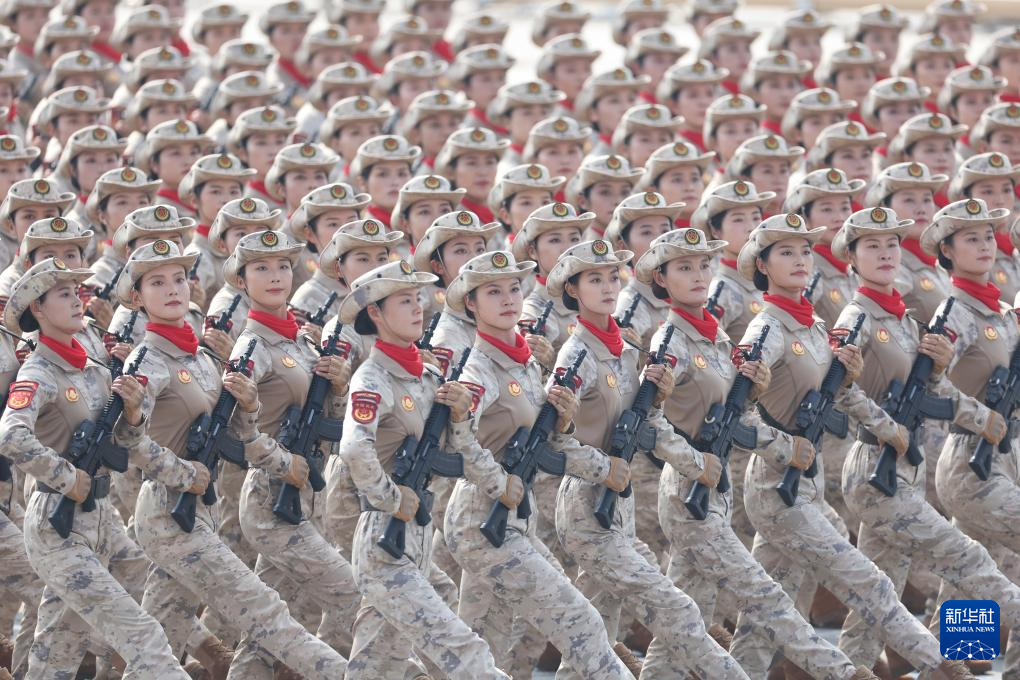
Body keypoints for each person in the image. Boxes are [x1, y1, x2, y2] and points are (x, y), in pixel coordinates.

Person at [726, 213, 972, 679]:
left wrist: (892, 425)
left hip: (889, 460)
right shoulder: (822, 322)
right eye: (786, 252)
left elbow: (850, 391)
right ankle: (944, 662)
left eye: (805, 251)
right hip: (851, 469)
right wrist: (785, 447)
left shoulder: (828, 324)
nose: (801, 260)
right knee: (953, 559)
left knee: (780, 604)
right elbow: (736, 407)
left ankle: (885, 660)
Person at [633, 227, 878, 680]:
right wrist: (704, 461)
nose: (700, 274)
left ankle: (958, 653)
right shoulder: (672, 342)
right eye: (684, 267)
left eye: (704, 264)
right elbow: (646, 422)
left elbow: (738, 412)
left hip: (730, 486)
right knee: (778, 597)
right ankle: (857, 671)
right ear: (661, 278)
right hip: (695, 487)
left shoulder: (718, 339)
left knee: (686, 624)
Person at [118, 238, 350, 680]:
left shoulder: (202, 358)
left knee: (159, 644)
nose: (173, 289)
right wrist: (185, 473)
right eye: (157, 282)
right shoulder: (145, 361)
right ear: (136, 297)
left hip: (199, 508)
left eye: (179, 278)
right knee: (267, 614)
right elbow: (126, 439)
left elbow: (233, 432)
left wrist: (251, 407)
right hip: (168, 509)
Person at [546, 238, 749, 679]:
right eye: (594, 279)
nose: (607, 287)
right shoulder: (576, 355)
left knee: (596, 632)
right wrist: (604, 469)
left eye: (611, 277)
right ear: (572, 290)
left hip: (618, 502)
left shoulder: (623, 350)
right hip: (586, 503)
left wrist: (693, 461)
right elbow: (549, 440)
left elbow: (645, 424)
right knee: (675, 606)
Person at [830, 205, 1020, 674]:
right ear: (946, 252)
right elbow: (838, 388)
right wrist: (889, 425)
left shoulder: (911, 318)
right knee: (968, 559)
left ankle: (954, 659)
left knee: (882, 593)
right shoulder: (933, 314)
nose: (886, 253)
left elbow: (934, 383)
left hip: (932, 460)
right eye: (872, 245)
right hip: (924, 459)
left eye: (892, 243)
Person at [441, 248, 631, 679]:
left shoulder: (524, 362)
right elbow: (456, 444)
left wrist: (572, 432)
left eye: (513, 289)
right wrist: (498, 482)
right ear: (471, 303)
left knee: (494, 640)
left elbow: (545, 443)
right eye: (493, 292)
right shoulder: (476, 371)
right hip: (482, 519)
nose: (509, 299)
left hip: (510, 516)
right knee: (579, 619)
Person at [0, 257, 190, 679]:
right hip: (58, 523)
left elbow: (122, 440)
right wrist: (68, 478)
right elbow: (10, 436)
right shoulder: (38, 372)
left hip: (100, 518)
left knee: (57, 652)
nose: (77, 301)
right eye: (64, 294)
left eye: (77, 292)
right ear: (37, 308)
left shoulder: (93, 368)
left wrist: (134, 413)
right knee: (143, 633)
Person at [335, 258, 510, 679]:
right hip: (384, 537)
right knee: (465, 650)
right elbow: (354, 449)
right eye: (404, 301)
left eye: (418, 298)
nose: (418, 308)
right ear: (375, 313)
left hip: (415, 535)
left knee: (375, 664)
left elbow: (452, 449)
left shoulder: (428, 375)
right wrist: (392, 498)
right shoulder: (372, 379)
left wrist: (462, 415)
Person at [223, 229, 362, 677]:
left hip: (307, 494)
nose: (276, 276)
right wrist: (286, 463)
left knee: (269, 632)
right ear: (241, 280)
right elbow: (235, 431)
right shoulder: (251, 347)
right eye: (261, 268)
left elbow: (330, 422)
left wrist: (339, 387)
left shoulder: (300, 342)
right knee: (357, 596)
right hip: (272, 498)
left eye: (283, 266)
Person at [918, 198, 1020, 677]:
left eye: (988, 237)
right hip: (970, 461)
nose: (984, 246)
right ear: (947, 250)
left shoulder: (999, 311)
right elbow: (928, 387)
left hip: (1005, 456)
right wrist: (979, 416)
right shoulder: (954, 313)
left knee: (970, 573)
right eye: (970, 239)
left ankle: (947, 665)